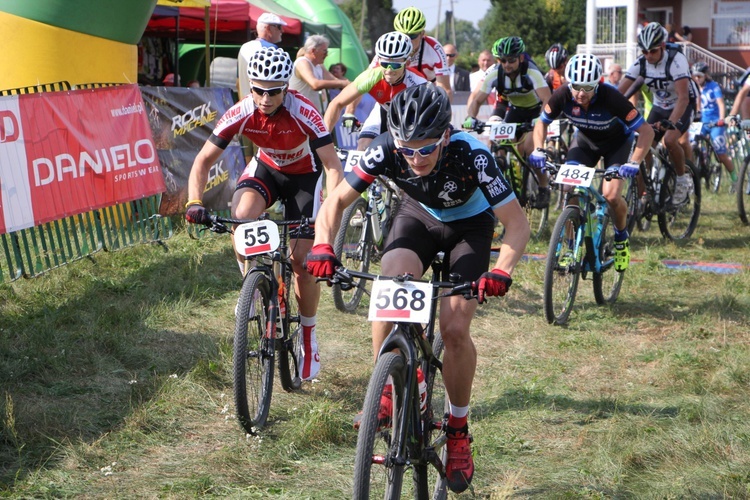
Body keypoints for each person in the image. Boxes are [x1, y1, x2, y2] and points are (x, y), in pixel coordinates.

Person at [305, 83, 530, 494]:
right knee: (389, 284)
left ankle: (458, 429)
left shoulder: (472, 153)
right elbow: (335, 202)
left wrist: (501, 270)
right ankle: (386, 387)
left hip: (469, 227)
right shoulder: (387, 148)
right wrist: (323, 245)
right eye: (407, 149)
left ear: (445, 135)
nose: (415, 158)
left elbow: (517, 223)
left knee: (455, 327)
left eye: (425, 149)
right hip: (419, 218)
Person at [185, 47, 344, 382]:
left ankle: (308, 338)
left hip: (304, 176)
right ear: (250, 86)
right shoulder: (242, 111)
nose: (265, 97)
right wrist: (194, 201)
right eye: (258, 89)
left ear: (286, 88)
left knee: (302, 261)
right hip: (267, 169)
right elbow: (201, 162)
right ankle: (253, 290)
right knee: (241, 216)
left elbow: (332, 167)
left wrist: (328, 209)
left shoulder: (304, 111)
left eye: (273, 91)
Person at [529, 53, 655, 271]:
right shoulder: (562, 94)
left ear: (598, 84)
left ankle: (621, 238)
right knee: (570, 188)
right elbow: (541, 123)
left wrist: (634, 162)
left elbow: (646, 131)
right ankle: (570, 247)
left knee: (611, 195)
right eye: (576, 86)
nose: (580, 93)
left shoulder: (611, 97)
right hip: (585, 143)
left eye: (588, 87)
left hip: (616, 144)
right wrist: (538, 150)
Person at [463, 36, 552, 206]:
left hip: (535, 111)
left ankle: (543, 187)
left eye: (511, 60)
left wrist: (539, 121)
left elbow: (547, 100)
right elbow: (476, 99)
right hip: (514, 110)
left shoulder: (532, 72)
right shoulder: (495, 72)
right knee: (498, 144)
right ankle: (503, 178)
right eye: (502, 60)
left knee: (529, 151)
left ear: (521, 57)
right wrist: (471, 118)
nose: (507, 64)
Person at [619, 22, 697, 204]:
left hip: (682, 104)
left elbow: (684, 98)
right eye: (644, 52)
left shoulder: (676, 61)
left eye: (653, 51)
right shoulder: (641, 63)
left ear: (662, 46)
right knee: (642, 145)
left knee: (670, 140)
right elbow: (618, 92)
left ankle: (681, 180)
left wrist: (670, 123)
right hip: (660, 106)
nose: (648, 56)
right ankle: (643, 194)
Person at [324, 31, 428, 151]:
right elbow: (336, 103)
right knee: (363, 147)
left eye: (395, 65)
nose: (389, 70)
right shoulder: (371, 76)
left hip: (409, 118)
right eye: (384, 64)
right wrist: (324, 140)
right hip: (383, 110)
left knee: (407, 150)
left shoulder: (419, 84)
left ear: (407, 62)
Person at [691, 62, 738, 185]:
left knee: (721, 154)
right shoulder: (693, 88)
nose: (696, 79)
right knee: (691, 146)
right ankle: (692, 176)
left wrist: (722, 119)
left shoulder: (714, 86)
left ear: (705, 75)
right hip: (701, 123)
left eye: (699, 76)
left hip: (715, 123)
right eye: (694, 76)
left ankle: (735, 179)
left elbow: (721, 104)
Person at [392, 7, 452, 100]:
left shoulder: (434, 48)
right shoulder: (389, 45)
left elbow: (445, 89)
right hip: (395, 94)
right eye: (403, 36)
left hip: (426, 95)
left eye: (412, 36)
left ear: (422, 34)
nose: (407, 40)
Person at [288, 35, 349, 113]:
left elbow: (334, 80)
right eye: (324, 51)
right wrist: (343, 83)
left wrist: (350, 84)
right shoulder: (302, 62)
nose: (327, 55)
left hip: (312, 116)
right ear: (313, 51)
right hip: (298, 115)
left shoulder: (319, 65)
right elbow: (315, 84)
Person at [237, 12, 286, 100]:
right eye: (279, 27)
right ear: (268, 28)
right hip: (262, 105)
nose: (282, 30)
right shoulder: (271, 49)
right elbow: (276, 83)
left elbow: (238, 83)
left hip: (245, 105)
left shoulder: (244, 47)